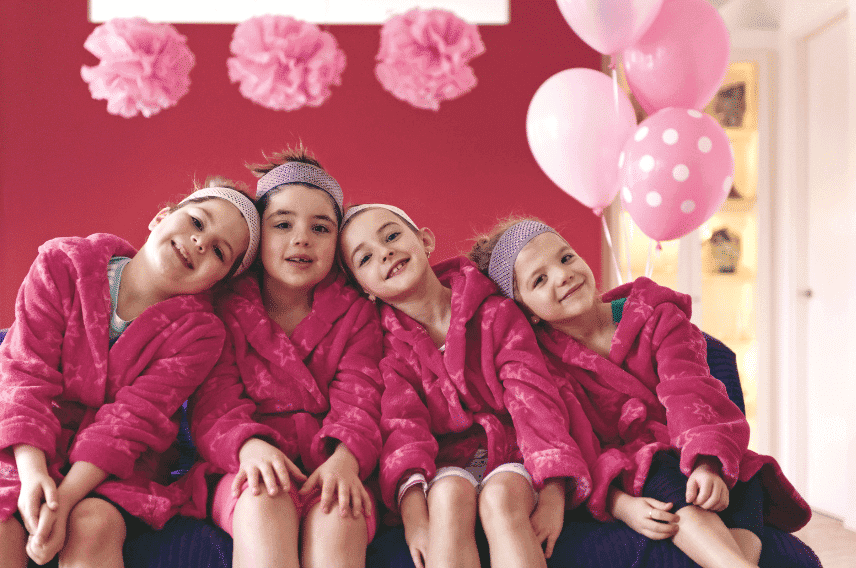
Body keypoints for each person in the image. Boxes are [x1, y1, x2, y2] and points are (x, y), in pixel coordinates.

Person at [468, 218, 812, 568]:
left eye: (566, 258)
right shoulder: (543, 367)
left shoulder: (657, 316)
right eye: (539, 280)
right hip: (641, 474)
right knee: (662, 469)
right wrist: (619, 504)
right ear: (526, 310)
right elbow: (575, 447)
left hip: (703, 450)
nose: (562, 275)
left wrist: (708, 463)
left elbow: (691, 391)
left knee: (746, 479)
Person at [0, 179, 259, 568]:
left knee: (94, 525)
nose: (201, 242)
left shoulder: (200, 333)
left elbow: (132, 420)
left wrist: (65, 498)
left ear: (215, 283)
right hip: (26, 447)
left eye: (220, 252)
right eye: (196, 222)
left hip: (116, 466)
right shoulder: (61, 264)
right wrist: (34, 474)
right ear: (160, 218)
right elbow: (25, 374)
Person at [338, 204, 592, 568]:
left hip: (514, 453)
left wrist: (553, 494)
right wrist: (414, 520)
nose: (385, 252)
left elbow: (533, 401)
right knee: (448, 498)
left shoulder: (496, 314)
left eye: (392, 236)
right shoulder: (386, 347)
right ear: (364, 289)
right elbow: (402, 429)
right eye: (365, 259)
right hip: (447, 466)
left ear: (425, 240)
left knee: (501, 498)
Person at [183, 147, 383, 568]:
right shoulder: (223, 307)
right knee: (262, 496)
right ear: (257, 238)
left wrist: (346, 460)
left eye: (321, 228)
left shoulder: (356, 313)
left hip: (332, 464)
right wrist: (249, 447)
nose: (302, 238)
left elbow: (361, 399)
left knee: (340, 510)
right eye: (283, 224)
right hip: (245, 462)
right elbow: (214, 403)